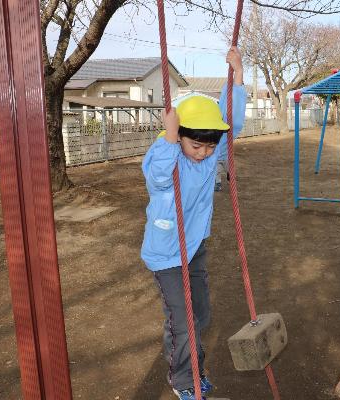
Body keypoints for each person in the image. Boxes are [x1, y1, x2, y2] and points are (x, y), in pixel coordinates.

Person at [141, 46, 246, 400]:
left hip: (194, 245)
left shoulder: (210, 150)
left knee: (200, 313)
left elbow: (233, 121)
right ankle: (183, 381)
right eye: (194, 144)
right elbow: (156, 178)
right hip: (167, 254)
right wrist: (171, 138)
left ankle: (195, 369)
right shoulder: (168, 156)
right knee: (183, 321)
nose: (202, 152)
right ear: (180, 135)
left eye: (208, 146)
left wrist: (238, 76)